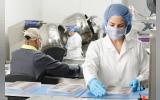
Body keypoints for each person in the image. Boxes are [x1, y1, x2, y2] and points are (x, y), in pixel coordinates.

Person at [82, 4, 149, 97]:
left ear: (127, 26)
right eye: (112, 25)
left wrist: (140, 80)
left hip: (130, 97)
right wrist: (91, 80)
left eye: (120, 25)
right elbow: (89, 66)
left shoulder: (137, 46)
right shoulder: (96, 46)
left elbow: (148, 70)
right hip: (103, 96)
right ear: (105, 23)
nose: (115, 29)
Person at [10, 28, 81, 81]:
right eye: (40, 41)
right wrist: (79, 68)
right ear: (37, 41)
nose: (40, 43)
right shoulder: (38, 57)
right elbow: (62, 69)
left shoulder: (14, 54)